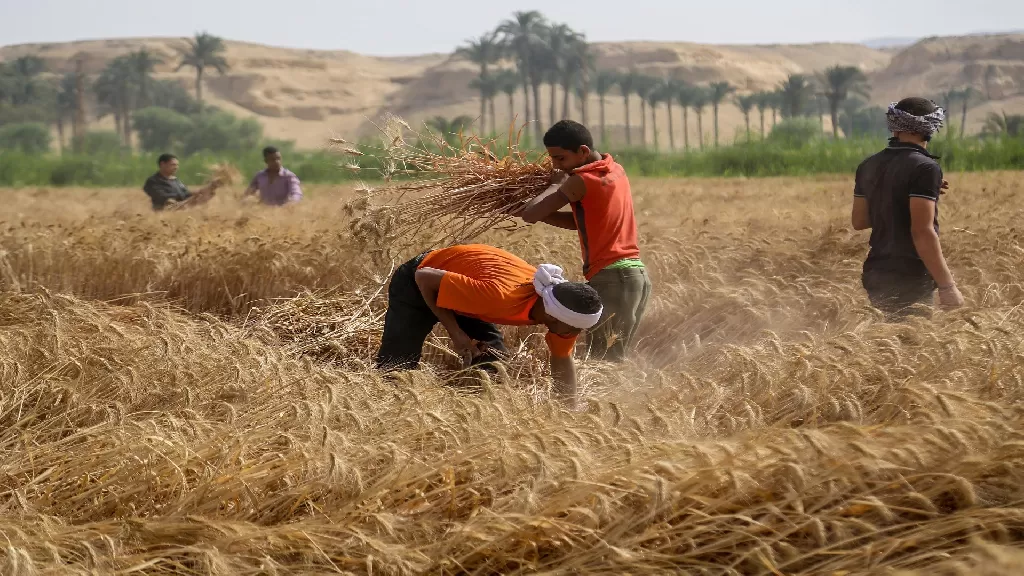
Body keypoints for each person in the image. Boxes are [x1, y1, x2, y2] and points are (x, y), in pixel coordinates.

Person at [375, 244, 603, 409]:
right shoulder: (499, 298)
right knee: (397, 364)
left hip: (467, 287)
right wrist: (457, 333)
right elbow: (424, 277)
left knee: (494, 358)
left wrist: (569, 410)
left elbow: (562, 359)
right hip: (416, 281)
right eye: (576, 330)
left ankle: (472, 412)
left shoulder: (561, 313)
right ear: (555, 318)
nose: (576, 335)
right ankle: (388, 411)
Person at [518, 120, 651, 362]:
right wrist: (535, 211)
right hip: (634, 278)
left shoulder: (581, 180)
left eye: (560, 159)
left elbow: (530, 215)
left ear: (583, 151)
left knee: (603, 363)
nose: (556, 166)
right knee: (611, 359)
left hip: (613, 280)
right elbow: (579, 222)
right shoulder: (614, 170)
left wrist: (555, 186)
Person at [851, 97, 964, 319]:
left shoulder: (868, 164)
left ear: (894, 126)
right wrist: (947, 286)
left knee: (885, 345)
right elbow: (922, 232)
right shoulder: (925, 168)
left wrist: (899, 193)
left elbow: (859, 221)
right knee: (913, 347)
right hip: (911, 275)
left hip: (877, 271)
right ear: (931, 128)